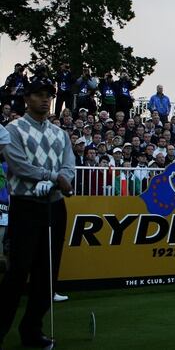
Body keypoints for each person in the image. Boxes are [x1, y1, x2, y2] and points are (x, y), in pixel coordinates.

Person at [0, 77, 76, 349]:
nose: (45, 99)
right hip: (26, 206)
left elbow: (70, 164)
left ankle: (32, 329)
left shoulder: (60, 133)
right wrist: (55, 177)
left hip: (54, 206)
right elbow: (19, 166)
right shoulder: (13, 129)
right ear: (26, 99)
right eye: (39, 94)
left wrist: (63, 177)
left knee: (47, 274)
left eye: (48, 95)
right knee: (17, 272)